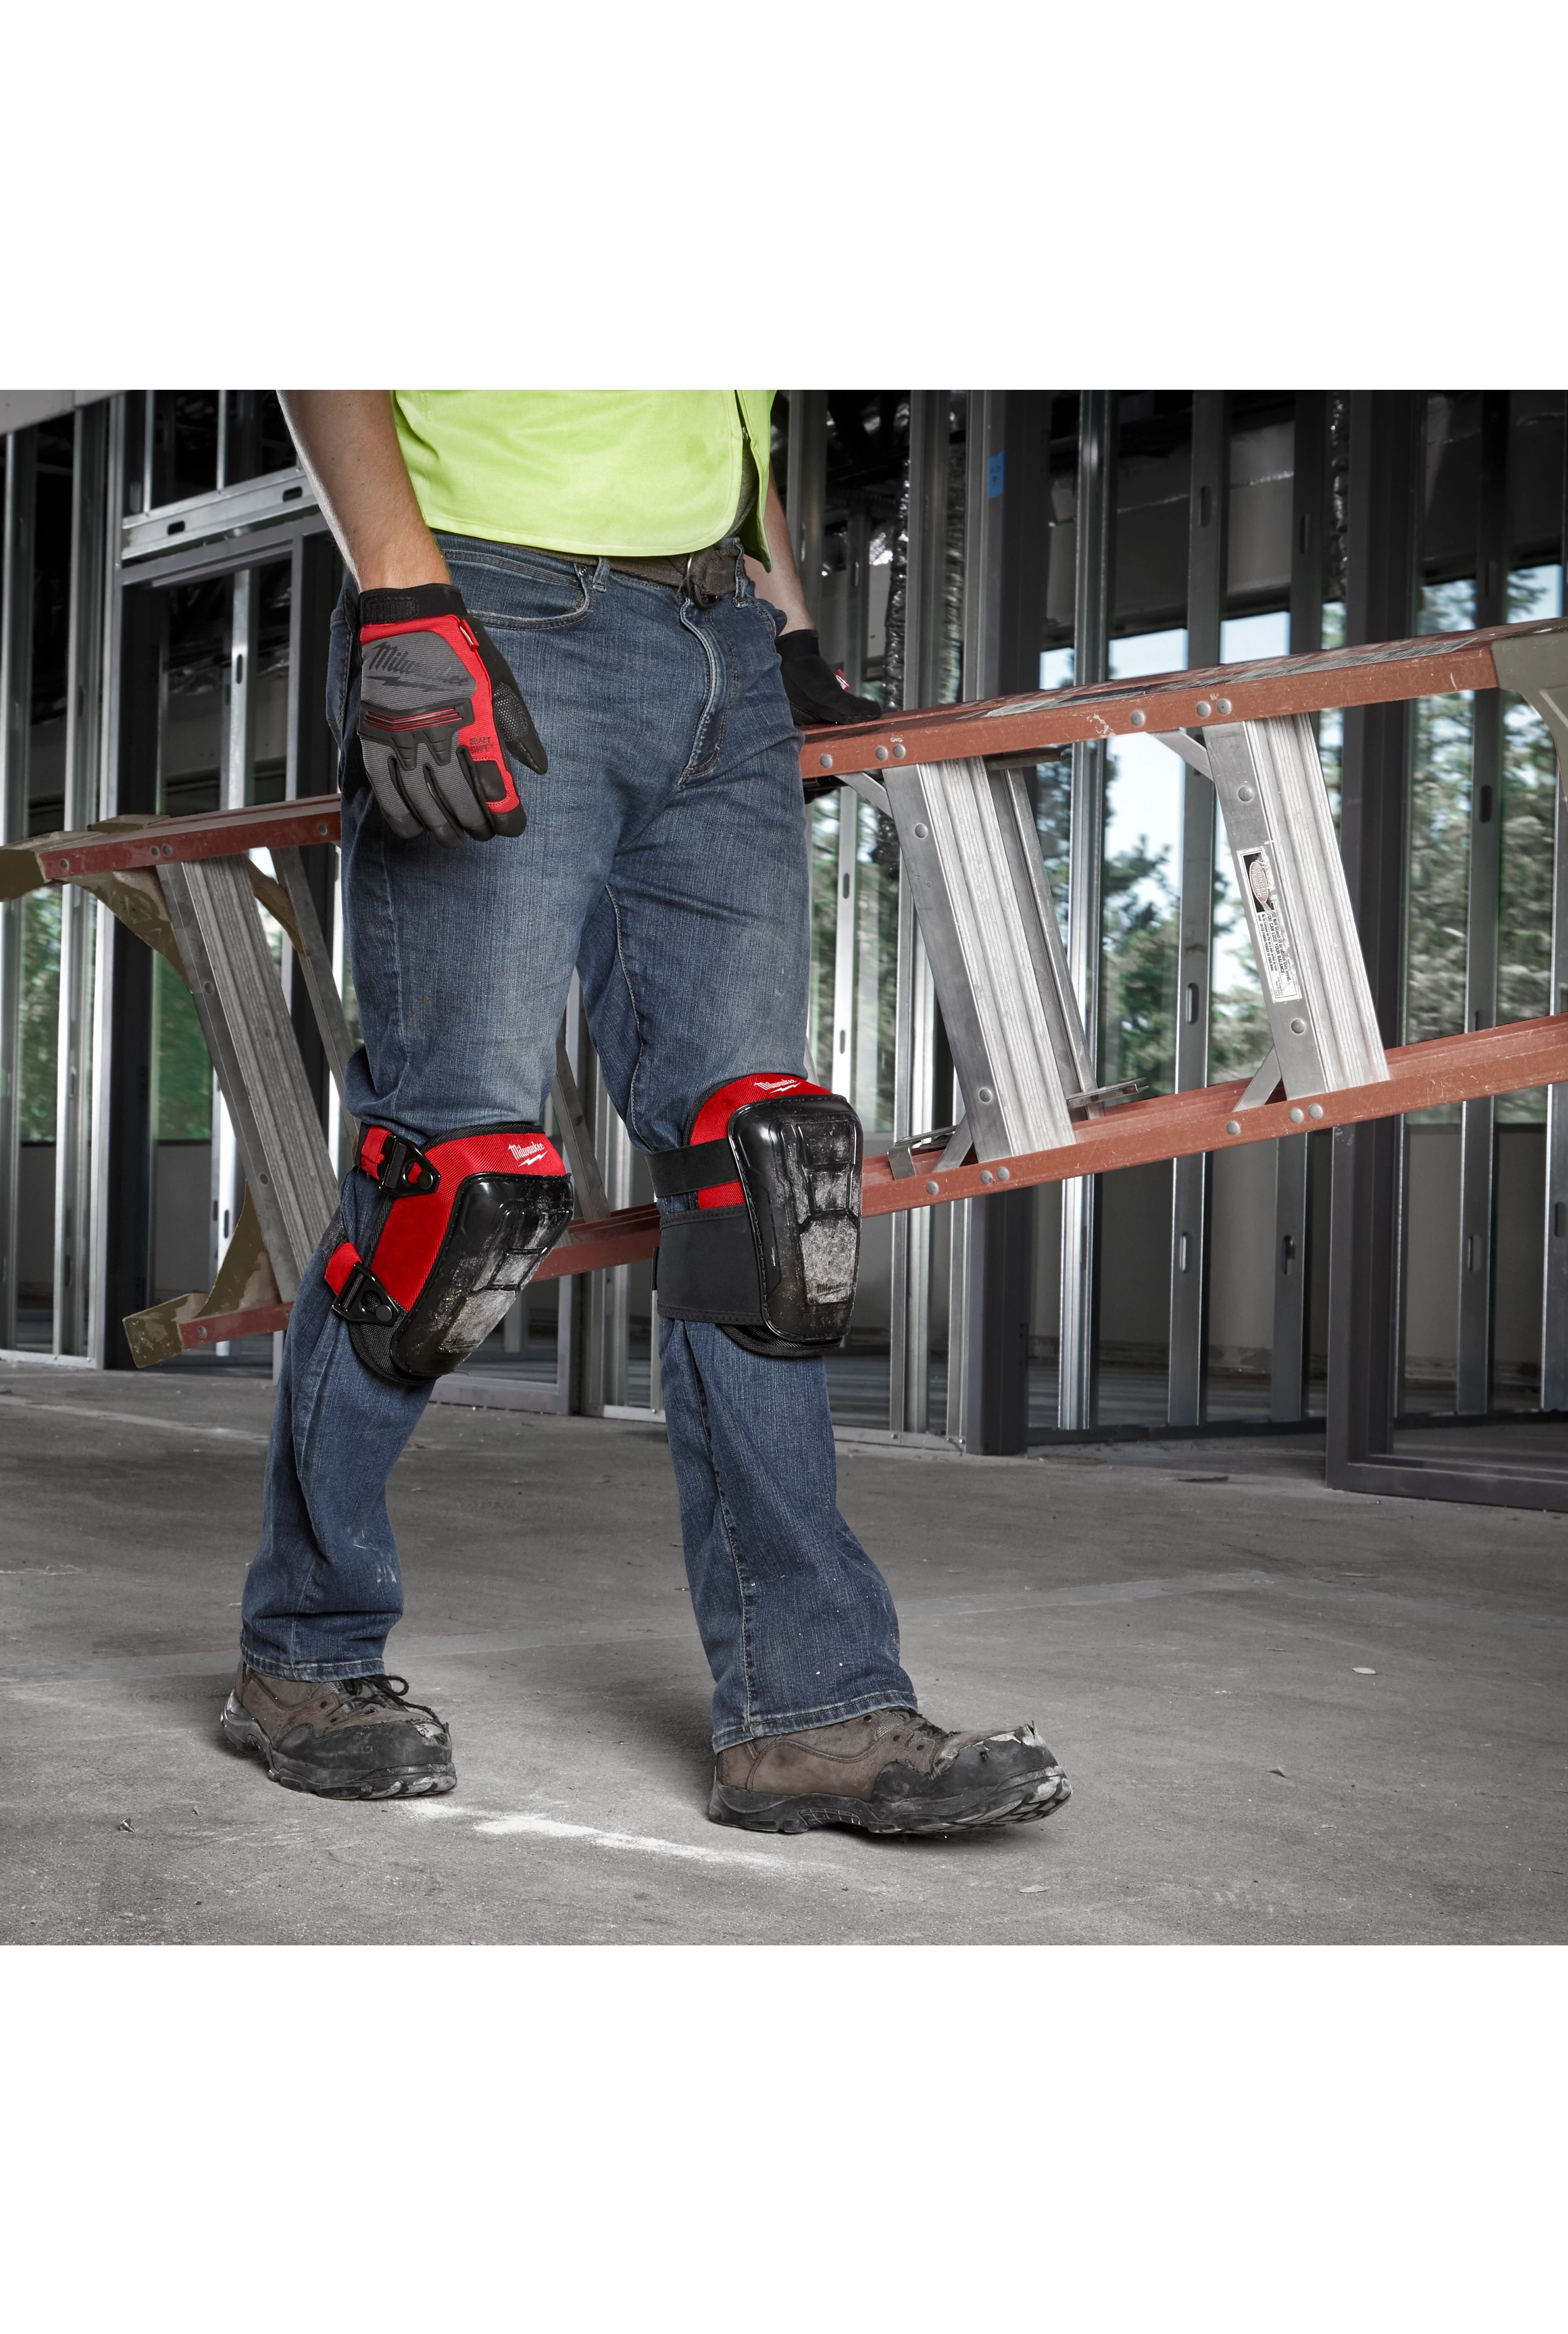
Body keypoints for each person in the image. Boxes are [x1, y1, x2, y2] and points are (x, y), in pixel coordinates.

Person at [219, 389, 1070, 1837]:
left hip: (717, 638)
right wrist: (402, 593)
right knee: (450, 1188)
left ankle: (811, 1709)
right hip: (491, 600)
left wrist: (785, 632)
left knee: (766, 1174)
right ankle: (302, 1653)